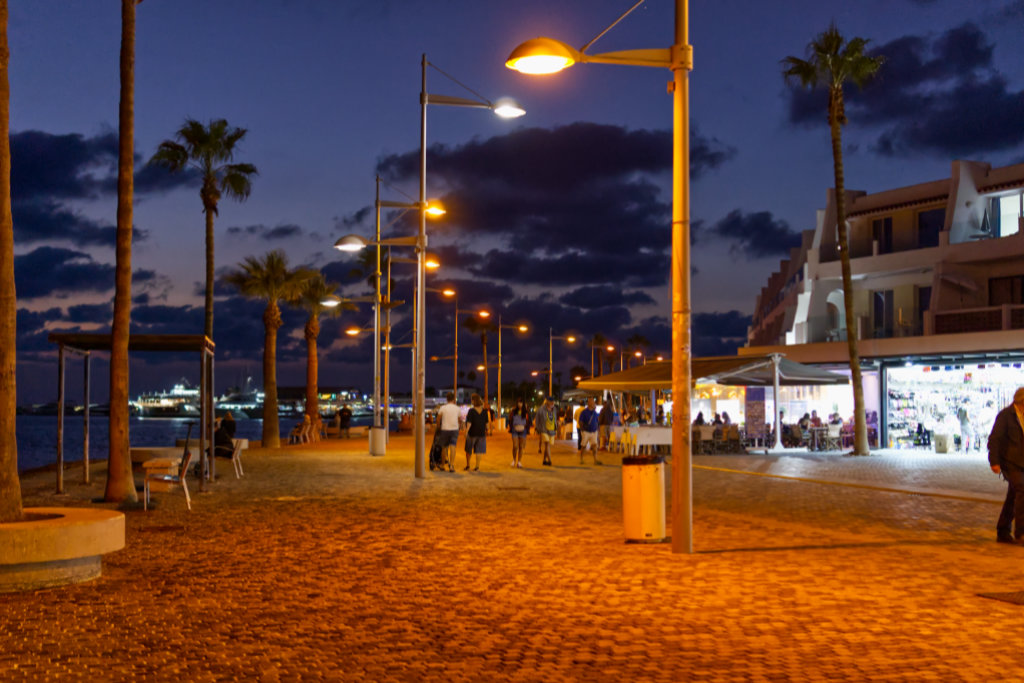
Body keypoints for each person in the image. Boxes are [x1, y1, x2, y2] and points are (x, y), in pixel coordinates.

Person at [989, 388, 1024, 544]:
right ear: (1021, 402)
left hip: (1022, 462)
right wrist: (994, 461)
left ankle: (1003, 530)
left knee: (1013, 495)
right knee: (1022, 489)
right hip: (1010, 462)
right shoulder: (1005, 416)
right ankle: (1021, 532)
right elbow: (995, 439)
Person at [463, 393, 490, 471]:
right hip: (481, 433)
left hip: (472, 433)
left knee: (468, 450)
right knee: (479, 450)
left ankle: (468, 465)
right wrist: (487, 430)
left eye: (472, 399)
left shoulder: (471, 411)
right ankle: (477, 466)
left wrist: (466, 431)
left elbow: (469, 423)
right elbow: (487, 423)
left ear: (473, 401)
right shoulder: (485, 411)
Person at [435, 392, 461, 472]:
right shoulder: (457, 408)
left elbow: (438, 419)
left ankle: (443, 465)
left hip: (445, 429)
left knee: (444, 448)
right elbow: (459, 420)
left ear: (447, 399)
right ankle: (452, 466)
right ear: (454, 399)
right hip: (454, 429)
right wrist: (458, 426)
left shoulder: (443, 408)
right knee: (453, 447)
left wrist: (438, 427)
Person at [507, 397, 531, 468]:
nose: (520, 404)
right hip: (515, 430)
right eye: (518, 402)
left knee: (521, 446)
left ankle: (519, 461)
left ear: (523, 403)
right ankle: (514, 460)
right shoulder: (513, 411)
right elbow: (510, 419)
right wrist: (510, 427)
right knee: (515, 446)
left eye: (521, 402)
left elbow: (529, 421)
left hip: (523, 430)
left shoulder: (526, 412)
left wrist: (527, 429)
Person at [577, 397, 601, 465]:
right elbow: (580, 421)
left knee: (594, 445)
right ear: (589, 403)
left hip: (594, 431)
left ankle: (595, 459)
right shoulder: (584, 412)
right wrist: (583, 430)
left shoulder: (595, 413)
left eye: (593, 402)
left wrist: (597, 430)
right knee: (583, 446)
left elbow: (597, 421)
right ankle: (581, 459)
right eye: (592, 402)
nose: (594, 403)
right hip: (586, 432)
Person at [535, 396, 558, 466]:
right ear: (547, 402)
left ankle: (544, 460)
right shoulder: (541, 409)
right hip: (543, 429)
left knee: (547, 446)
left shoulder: (554, 409)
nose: (552, 403)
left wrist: (556, 428)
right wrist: (537, 428)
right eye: (551, 401)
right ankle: (550, 461)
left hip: (552, 430)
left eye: (553, 401)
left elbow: (555, 419)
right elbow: (537, 419)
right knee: (547, 444)